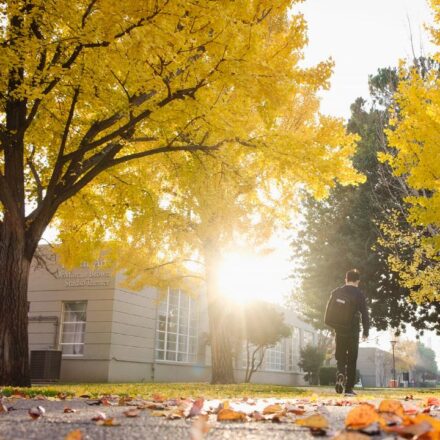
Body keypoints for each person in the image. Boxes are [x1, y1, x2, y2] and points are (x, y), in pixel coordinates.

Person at [333, 269, 369, 396]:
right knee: (352, 360)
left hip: (340, 330)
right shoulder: (359, 294)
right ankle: (348, 389)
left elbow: (330, 313)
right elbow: (365, 313)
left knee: (340, 357)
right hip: (353, 331)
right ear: (357, 281)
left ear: (346, 279)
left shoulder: (337, 292)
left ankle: (340, 373)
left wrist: (335, 326)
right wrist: (366, 331)